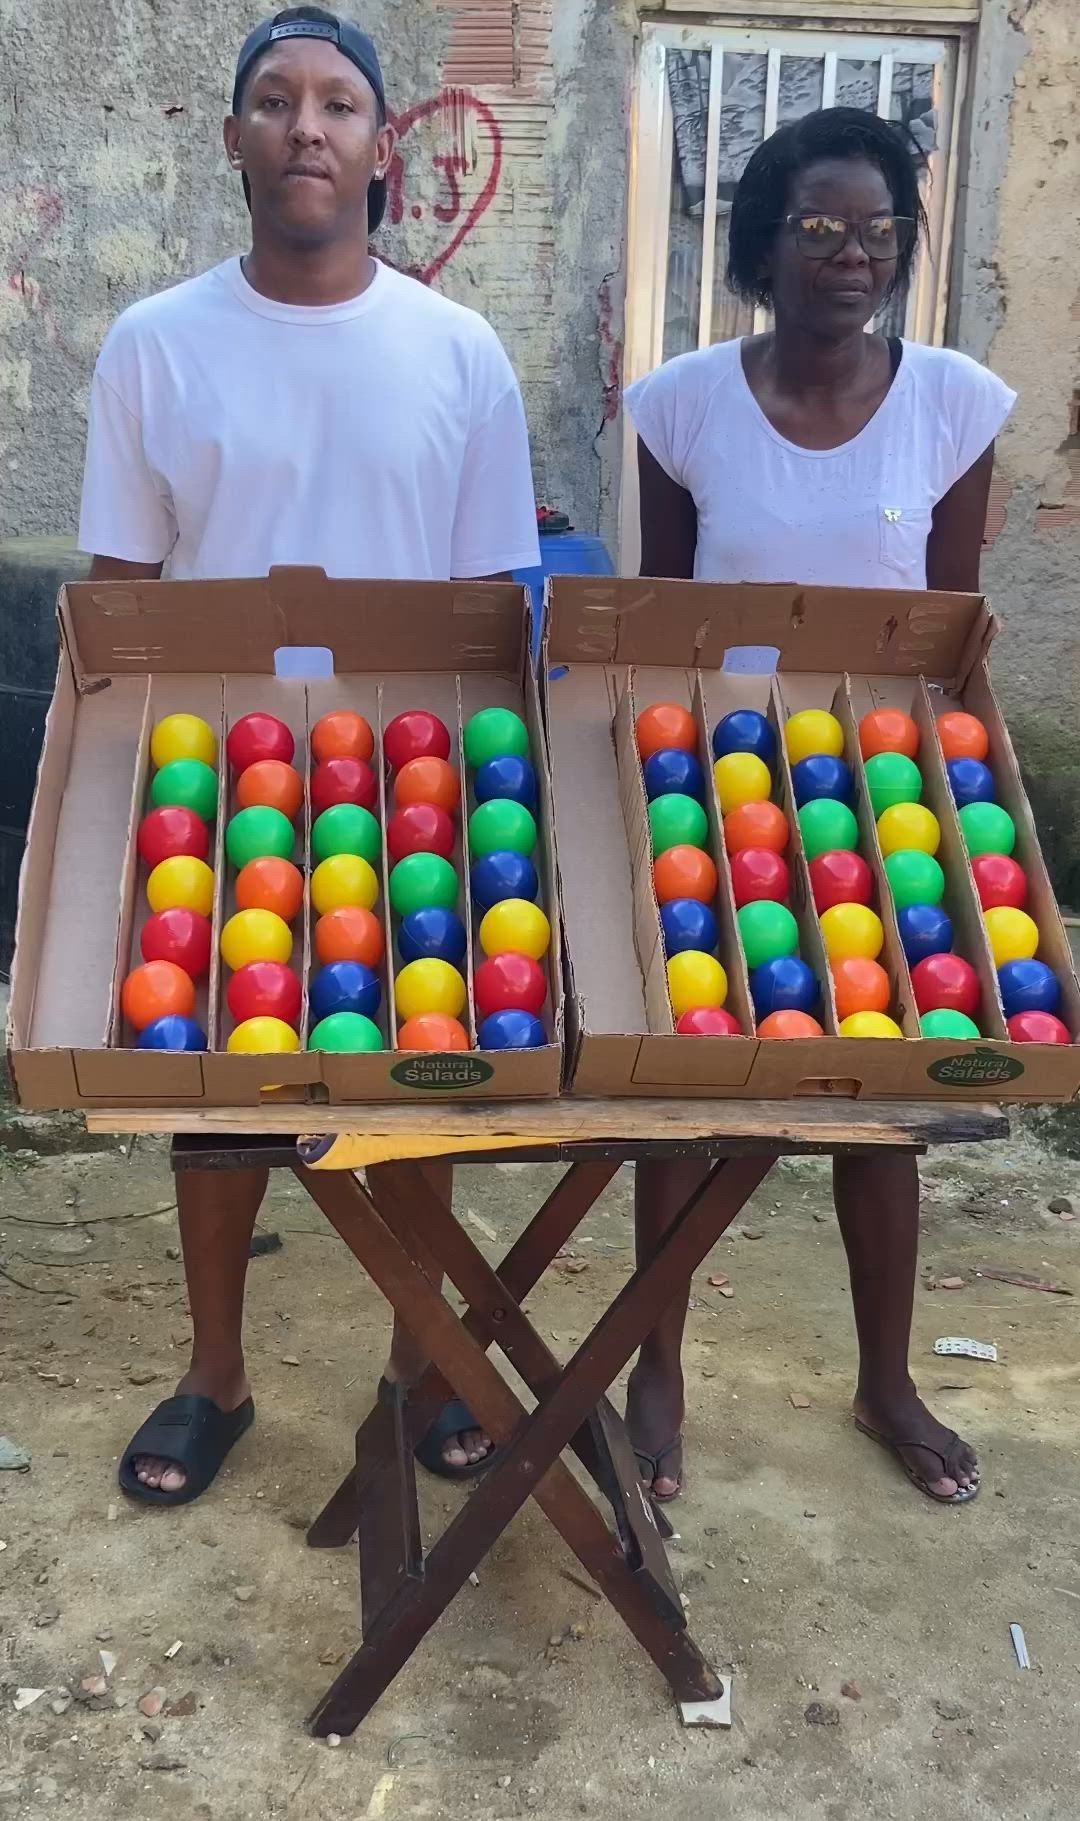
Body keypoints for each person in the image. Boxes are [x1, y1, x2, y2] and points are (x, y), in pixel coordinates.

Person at [78, 6, 540, 1504]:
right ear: (232, 140)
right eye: (273, 102)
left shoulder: (459, 350)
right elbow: (124, 600)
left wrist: (488, 801)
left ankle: (420, 1372)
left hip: (414, 770)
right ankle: (215, 1374)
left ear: (379, 144)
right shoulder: (155, 346)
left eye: (339, 102)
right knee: (209, 1081)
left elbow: (487, 610)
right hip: (217, 772)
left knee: (424, 1059)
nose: (306, 127)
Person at [623, 106, 1015, 1506]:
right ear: (762, 249)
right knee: (688, 1094)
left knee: (884, 1098)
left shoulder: (957, 403)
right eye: (820, 229)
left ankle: (886, 1379)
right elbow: (657, 628)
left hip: (888, 792)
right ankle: (653, 1365)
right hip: (706, 789)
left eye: (879, 231)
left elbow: (945, 641)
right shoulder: (679, 407)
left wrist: (952, 818)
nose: (853, 255)